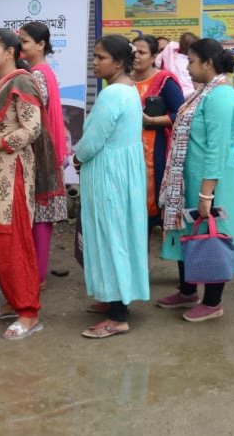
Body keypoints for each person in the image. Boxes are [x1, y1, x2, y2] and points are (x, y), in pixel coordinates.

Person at [0, 28, 62, 340]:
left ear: (9, 52)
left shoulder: (22, 81)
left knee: (14, 240)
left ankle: (29, 313)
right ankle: (13, 301)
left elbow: (30, 129)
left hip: (12, 174)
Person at [157, 38, 234, 322]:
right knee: (189, 232)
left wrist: (207, 194)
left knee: (212, 235)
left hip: (211, 181)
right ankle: (188, 290)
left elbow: (216, 149)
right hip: (193, 177)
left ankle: (213, 302)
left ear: (208, 64)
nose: (187, 67)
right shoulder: (204, 92)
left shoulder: (221, 96)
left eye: (191, 62)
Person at [74, 35, 149, 338]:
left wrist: (77, 157)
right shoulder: (129, 90)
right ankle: (117, 300)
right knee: (120, 235)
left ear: (118, 63)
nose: (94, 62)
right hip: (122, 173)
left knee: (110, 238)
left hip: (108, 175)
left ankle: (117, 316)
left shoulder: (112, 94)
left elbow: (94, 138)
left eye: (100, 57)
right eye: (94, 56)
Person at [18, 22, 69, 288]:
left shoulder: (36, 75)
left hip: (39, 152)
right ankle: (36, 273)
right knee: (42, 214)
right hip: (48, 150)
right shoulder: (45, 71)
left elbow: (34, 119)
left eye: (25, 41)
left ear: (41, 45)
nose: (20, 46)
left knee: (38, 214)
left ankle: (35, 276)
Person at [131, 34, 184, 230]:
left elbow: (181, 113)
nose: (136, 56)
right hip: (126, 148)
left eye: (142, 52)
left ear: (154, 56)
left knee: (148, 202)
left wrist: (152, 121)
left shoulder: (164, 80)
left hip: (153, 149)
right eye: (133, 52)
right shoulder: (123, 79)